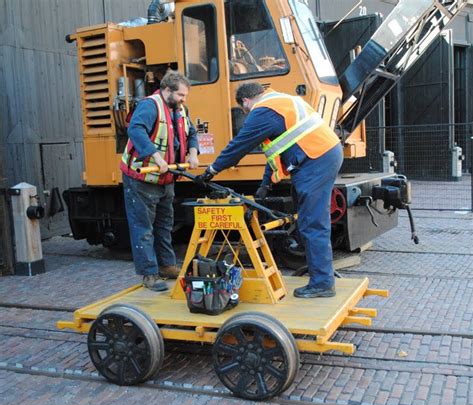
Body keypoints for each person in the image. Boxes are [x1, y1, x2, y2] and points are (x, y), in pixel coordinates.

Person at [196, 83, 343, 298]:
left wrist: (211, 171)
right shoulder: (279, 102)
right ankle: (319, 272)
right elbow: (275, 153)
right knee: (306, 219)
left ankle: (322, 283)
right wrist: (264, 187)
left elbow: (239, 145)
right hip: (321, 155)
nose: (246, 115)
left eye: (243, 110)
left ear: (245, 102)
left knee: (313, 223)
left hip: (315, 160)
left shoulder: (262, 111)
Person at [120, 70, 199, 291]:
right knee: (143, 227)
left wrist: (193, 153)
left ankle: (167, 265)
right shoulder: (149, 106)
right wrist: (156, 157)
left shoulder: (181, 109)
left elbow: (191, 133)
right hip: (142, 177)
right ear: (167, 90)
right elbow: (136, 130)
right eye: (181, 95)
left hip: (166, 178)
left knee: (165, 225)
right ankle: (149, 274)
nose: (184, 99)